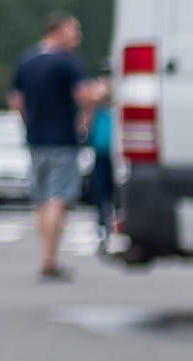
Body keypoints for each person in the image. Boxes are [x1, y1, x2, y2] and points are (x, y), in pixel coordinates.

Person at [10, 11, 96, 281]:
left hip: (35, 138)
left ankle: (45, 254)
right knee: (58, 198)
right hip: (63, 139)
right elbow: (84, 95)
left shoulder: (27, 60)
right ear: (57, 31)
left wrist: (28, 123)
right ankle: (50, 258)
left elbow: (16, 100)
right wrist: (86, 119)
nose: (77, 36)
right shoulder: (68, 62)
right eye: (74, 30)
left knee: (41, 199)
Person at [81, 72, 111, 239]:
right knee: (98, 187)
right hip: (99, 153)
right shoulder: (95, 110)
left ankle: (112, 218)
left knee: (113, 188)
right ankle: (101, 220)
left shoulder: (114, 106)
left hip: (116, 154)